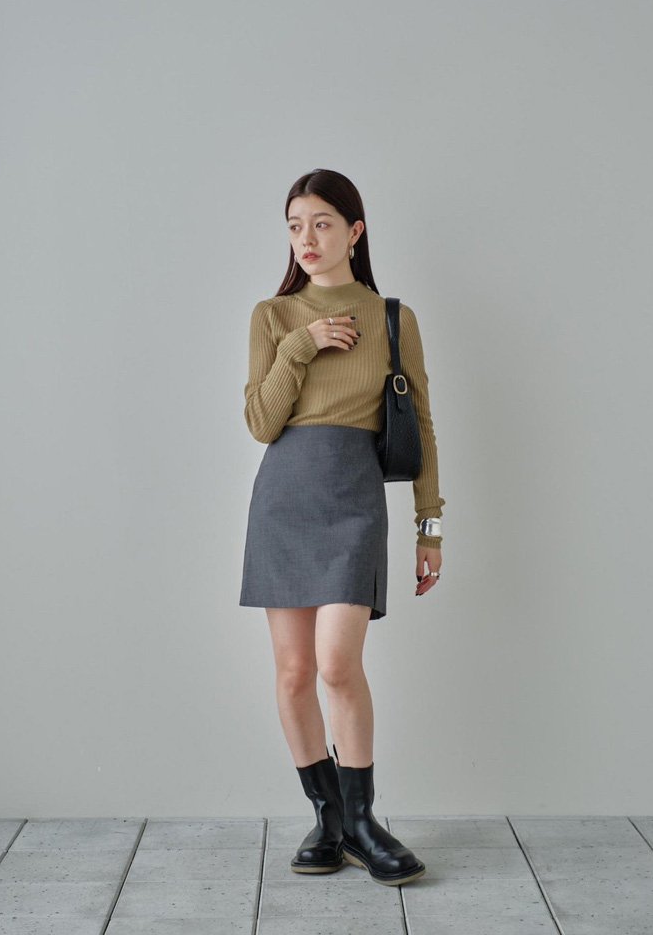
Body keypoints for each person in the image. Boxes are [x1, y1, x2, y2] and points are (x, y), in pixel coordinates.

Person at [238, 168, 445, 887]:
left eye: (322, 223)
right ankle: (330, 819)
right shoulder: (273, 315)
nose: (306, 239)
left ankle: (361, 820)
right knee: (295, 672)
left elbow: (420, 424)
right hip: (283, 501)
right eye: (295, 226)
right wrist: (302, 344)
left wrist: (429, 527)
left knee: (336, 664)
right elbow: (261, 423)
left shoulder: (391, 318)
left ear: (355, 231)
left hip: (354, 501)